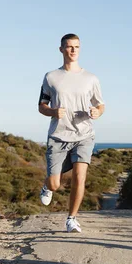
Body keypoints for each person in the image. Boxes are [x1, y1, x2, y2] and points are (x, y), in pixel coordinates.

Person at [38, 33, 105, 233]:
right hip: (58, 136)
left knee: (79, 176)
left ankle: (72, 218)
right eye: (69, 46)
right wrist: (52, 111)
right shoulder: (51, 77)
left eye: (76, 46)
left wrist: (97, 112)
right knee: (55, 184)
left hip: (84, 135)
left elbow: (101, 105)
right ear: (61, 49)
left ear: (80, 49)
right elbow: (41, 105)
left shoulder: (91, 78)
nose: (73, 50)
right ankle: (47, 185)